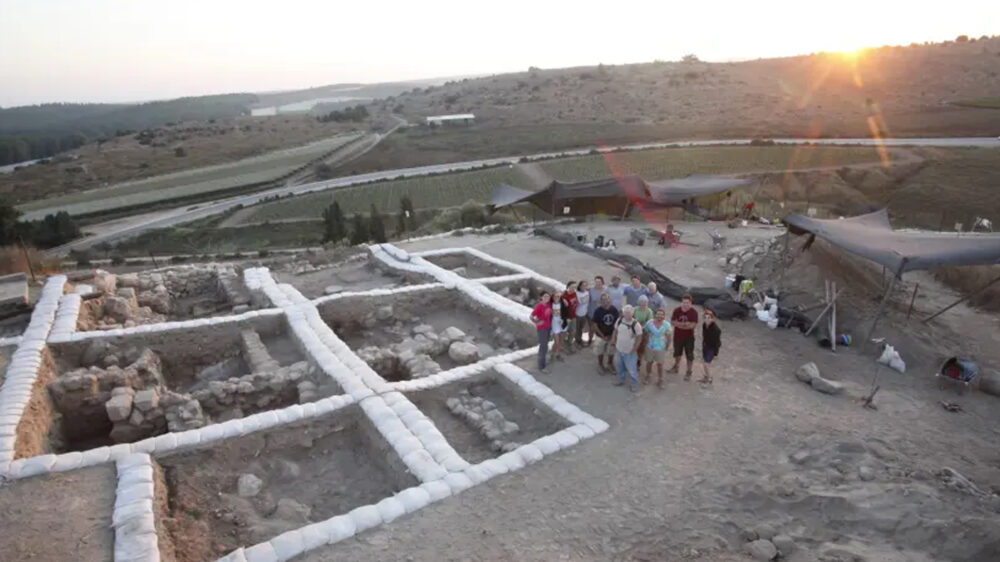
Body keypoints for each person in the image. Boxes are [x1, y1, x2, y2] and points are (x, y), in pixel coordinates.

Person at [611, 304, 642, 392]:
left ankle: (634, 385)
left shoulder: (636, 324)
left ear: (632, 313)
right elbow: (615, 330)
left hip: (630, 352)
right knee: (619, 366)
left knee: (632, 369)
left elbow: (639, 338)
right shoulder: (620, 320)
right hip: (619, 349)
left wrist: (634, 349)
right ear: (623, 313)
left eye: (629, 313)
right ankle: (621, 380)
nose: (627, 314)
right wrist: (613, 339)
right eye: (626, 313)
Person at [669, 294, 699, 380]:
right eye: (684, 302)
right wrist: (684, 324)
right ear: (682, 302)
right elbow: (672, 322)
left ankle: (689, 372)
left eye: (687, 303)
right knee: (677, 353)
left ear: (691, 303)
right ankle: (676, 367)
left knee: (689, 355)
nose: (685, 304)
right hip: (678, 336)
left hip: (689, 337)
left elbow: (692, 325)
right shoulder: (677, 310)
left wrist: (679, 325)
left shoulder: (694, 312)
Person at [643, 308, 672, 388]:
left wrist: (667, 346)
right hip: (650, 347)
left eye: (661, 314)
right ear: (655, 314)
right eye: (658, 314)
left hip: (661, 347)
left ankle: (660, 379)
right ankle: (648, 375)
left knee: (660, 365)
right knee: (649, 362)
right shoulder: (649, 323)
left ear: (664, 316)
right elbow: (645, 332)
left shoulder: (667, 325)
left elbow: (669, 337)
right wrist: (645, 342)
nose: (659, 316)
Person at [591, 293, 619, 374]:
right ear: (601, 301)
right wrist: (603, 336)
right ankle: (600, 365)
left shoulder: (614, 309)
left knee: (611, 351)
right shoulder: (597, 311)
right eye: (603, 300)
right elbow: (595, 325)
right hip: (601, 336)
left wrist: (613, 336)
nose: (605, 301)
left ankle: (610, 364)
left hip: (611, 335)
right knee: (600, 351)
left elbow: (617, 324)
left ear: (609, 300)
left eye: (607, 299)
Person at [529, 291, 553, 373]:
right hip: (542, 329)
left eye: (548, 296)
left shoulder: (549, 304)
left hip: (548, 327)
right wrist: (537, 322)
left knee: (544, 346)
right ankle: (542, 366)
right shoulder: (539, 306)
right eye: (545, 296)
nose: (547, 298)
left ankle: (542, 361)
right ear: (541, 297)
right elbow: (531, 316)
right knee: (543, 346)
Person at [701, 308, 722, 384]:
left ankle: (709, 378)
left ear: (712, 319)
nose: (707, 319)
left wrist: (716, 353)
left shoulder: (716, 330)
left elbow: (717, 342)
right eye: (705, 318)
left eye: (709, 318)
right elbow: (704, 336)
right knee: (705, 363)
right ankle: (706, 376)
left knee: (706, 364)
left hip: (712, 348)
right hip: (706, 346)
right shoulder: (704, 325)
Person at [632, 295, 654, 369]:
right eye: (642, 302)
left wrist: (642, 326)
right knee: (634, 346)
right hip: (634, 331)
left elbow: (650, 322)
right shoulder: (634, 309)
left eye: (645, 303)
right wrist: (637, 325)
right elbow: (631, 318)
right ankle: (632, 360)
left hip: (644, 332)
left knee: (641, 347)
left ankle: (638, 361)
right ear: (638, 302)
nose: (643, 304)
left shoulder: (649, 311)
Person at [587, 276, 607, 346]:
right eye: (596, 282)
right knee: (591, 328)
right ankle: (590, 340)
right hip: (592, 313)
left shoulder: (606, 289)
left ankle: (599, 342)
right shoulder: (591, 290)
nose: (598, 283)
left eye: (599, 282)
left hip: (602, 313)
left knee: (600, 329)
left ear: (602, 282)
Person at [562, 282, 579, 351]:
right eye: (572, 287)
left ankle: (569, 344)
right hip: (567, 318)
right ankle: (562, 346)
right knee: (564, 332)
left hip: (573, 316)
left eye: (575, 287)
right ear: (568, 286)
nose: (573, 288)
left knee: (573, 331)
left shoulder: (575, 293)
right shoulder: (564, 296)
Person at [549, 290, 565, 362]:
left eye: (558, 296)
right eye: (555, 296)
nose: (557, 297)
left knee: (561, 341)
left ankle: (557, 354)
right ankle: (552, 354)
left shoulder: (562, 304)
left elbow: (564, 313)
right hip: (554, 324)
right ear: (553, 296)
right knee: (557, 342)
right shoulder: (550, 305)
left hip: (561, 323)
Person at [574, 279, 590, 347]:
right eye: (583, 285)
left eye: (586, 285)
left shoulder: (587, 292)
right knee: (577, 329)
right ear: (580, 286)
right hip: (578, 314)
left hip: (584, 313)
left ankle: (579, 340)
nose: (584, 287)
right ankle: (577, 341)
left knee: (581, 328)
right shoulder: (577, 293)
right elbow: (581, 302)